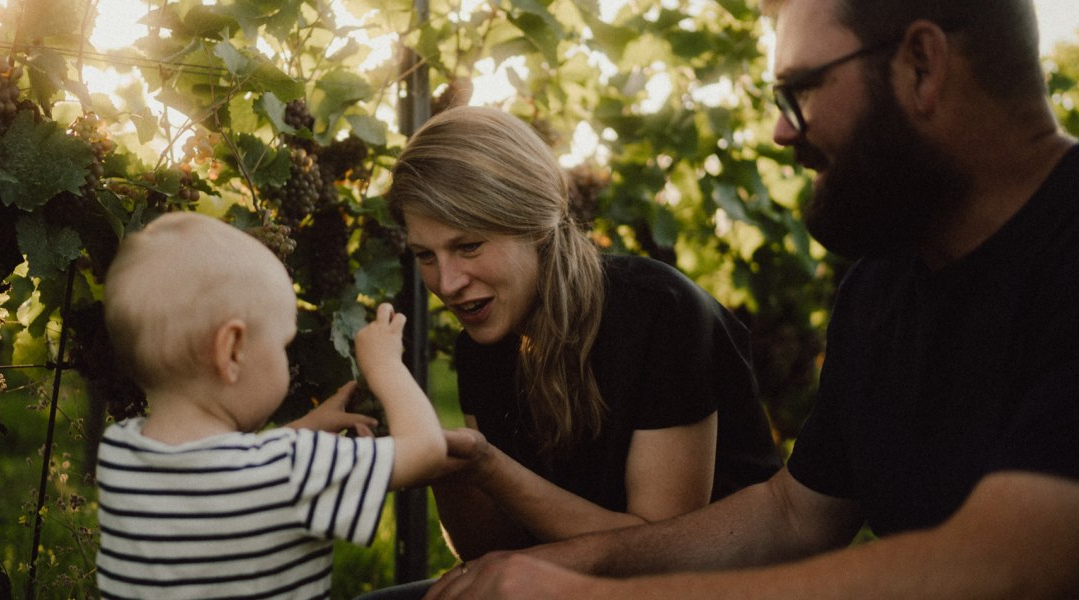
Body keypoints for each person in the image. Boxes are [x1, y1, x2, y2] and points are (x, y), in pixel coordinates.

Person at [424, 0, 1079, 598]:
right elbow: (795, 514)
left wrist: (595, 596)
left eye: (798, 91)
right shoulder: (881, 287)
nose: (780, 133)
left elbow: (1007, 565)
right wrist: (576, 563)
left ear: (922, 65)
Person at [363, 105, 781, 597]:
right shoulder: (481, 340)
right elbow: (490, 552)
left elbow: (659, 559)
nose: (448, 283)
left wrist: (492, 468)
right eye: (425, 256)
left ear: (535, 226)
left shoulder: (659, 313)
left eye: (469, 246)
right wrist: (447, 469)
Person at [93, 211, 450, 599]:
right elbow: (428, 450)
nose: (286, 356)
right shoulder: (295, 469)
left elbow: (226, 465)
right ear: (231, 351)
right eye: (283, 344)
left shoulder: (118, 453)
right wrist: (385, 366)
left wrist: (307, 425)